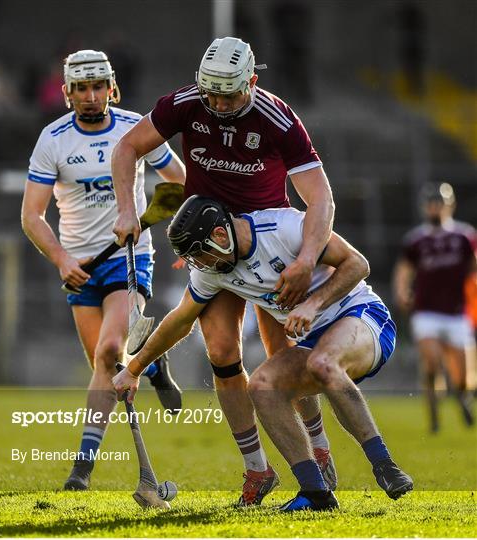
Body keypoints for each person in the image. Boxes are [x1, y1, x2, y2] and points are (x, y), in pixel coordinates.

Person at [111, 36, 336, 505]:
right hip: (210, 247)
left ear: (251, 81)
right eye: (209, 93)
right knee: (219, 350)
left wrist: (305, 259)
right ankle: (257, 469)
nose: (216, 104)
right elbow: (128, 147)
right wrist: (127, 209)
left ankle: (318, 447)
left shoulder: (277, 117)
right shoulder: (186, 103)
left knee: (282, 355)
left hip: (267, 246)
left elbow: (321, 198)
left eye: (228, 95)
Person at [112, 196, 414, 511]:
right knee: (262, 387)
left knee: (323, 363)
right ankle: (316, 493)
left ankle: (385, 466)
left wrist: (313, 305)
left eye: (200, 255)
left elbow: (357, 265)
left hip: (363, 319)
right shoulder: (213, 270)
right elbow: (180, 321)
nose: (200, 265)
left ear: (218, 235)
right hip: (314, 344)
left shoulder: (284, 227)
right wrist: (133, 370)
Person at [21, 50, 185, 490]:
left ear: (112, 88)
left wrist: (143, 220)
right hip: (79, 268)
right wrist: (62, 259)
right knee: (108, 367)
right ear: (66, 93)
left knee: (108, 350)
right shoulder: (52, 139)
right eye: (81, 89)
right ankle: (151, 366)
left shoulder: (136, 127)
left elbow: (179, 180)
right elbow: (32, 216)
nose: (91, 97)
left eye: (98, 87)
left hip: (127, 258)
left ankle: (80, 470)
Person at [393, 182, 476, 432]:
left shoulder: (464, 236)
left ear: (449, 205)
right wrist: (402, 291)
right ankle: (434, 417)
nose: (435, 208)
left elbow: (474, 268)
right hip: (426, 310)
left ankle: (462, 397)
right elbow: (404, 270)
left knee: (461, 377)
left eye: (439, 203)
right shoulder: (416, 239)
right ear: (424, 207)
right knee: (430, 363)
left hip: (456, 312)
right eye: (431, 204)